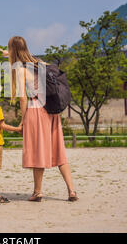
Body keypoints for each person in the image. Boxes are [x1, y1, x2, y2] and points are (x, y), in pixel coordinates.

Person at [7, 36, 78, 202]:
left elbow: (23, 98)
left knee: (38, 152)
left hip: (35, 111)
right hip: (51, 112)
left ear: (13, 51)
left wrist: (22, 120)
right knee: (59, 151)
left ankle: (38, 192)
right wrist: (7, 53)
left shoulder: (20, 70)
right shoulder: (40, 63)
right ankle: (72, 191)